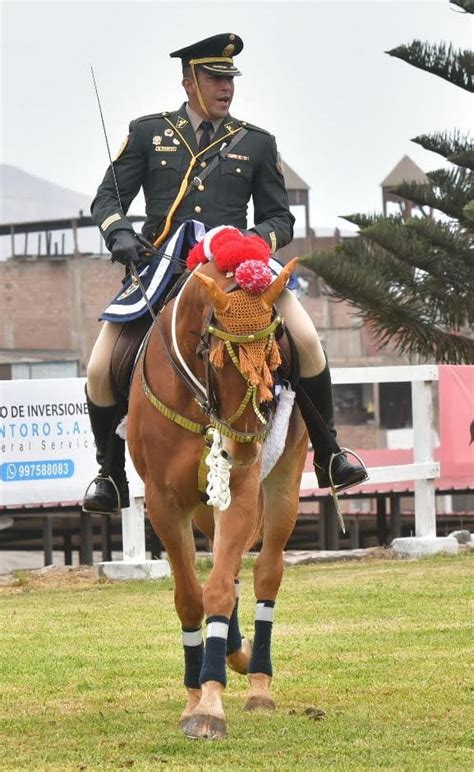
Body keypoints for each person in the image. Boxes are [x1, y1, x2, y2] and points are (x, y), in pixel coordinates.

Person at [83, 32, 367, 515]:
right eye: (215, 77)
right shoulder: (150, 132)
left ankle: (330, 453)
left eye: (230, 78)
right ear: (189, 80)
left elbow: (282, 218)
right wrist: (120, 235)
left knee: (307, 341)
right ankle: (108, 473)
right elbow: (106, 199)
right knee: (99, 367)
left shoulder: (254, 143)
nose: (225, 87)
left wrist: (255, 245)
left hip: (240, 270)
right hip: (162, 267)